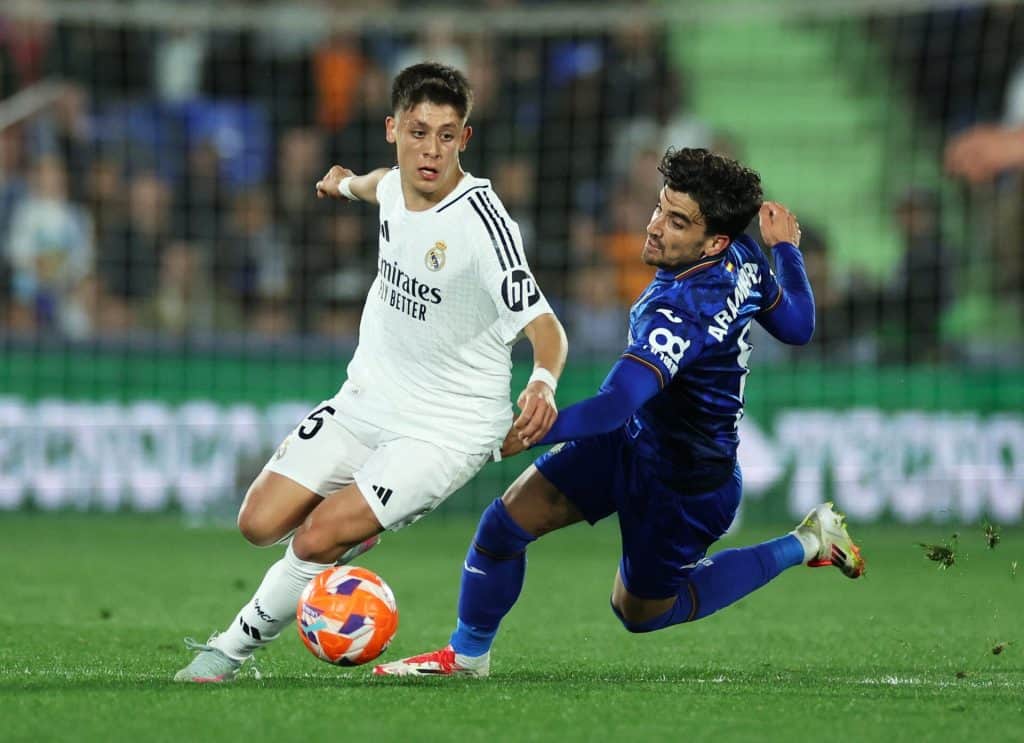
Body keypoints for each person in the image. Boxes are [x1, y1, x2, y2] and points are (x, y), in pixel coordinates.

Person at [373, 147, 865, 678]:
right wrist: (785, 250)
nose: (654, 227)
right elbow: (796, 326)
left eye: (676, 222)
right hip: (633, 438)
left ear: (713, 240)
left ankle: (807, 540)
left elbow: (612, 405)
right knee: (504, 525)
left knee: (638, 613)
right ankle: (466, 657)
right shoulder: (743, 256)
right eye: (660, 208)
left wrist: (524, 432)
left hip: (684, 483)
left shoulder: (678, 311)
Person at [175, 62, 568, 682]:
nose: (430, 150)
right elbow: (379, 185)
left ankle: (226, 651)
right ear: (393, 129)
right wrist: (343, 183)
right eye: (418, 132)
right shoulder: (391, 186)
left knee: (313, 538)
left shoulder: (485, 227)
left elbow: (546, 327)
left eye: (446, 135)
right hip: (367, 399)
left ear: (465, 139)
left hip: (447, 428)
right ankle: (352, 535)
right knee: (258, 523)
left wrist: (542, 381)